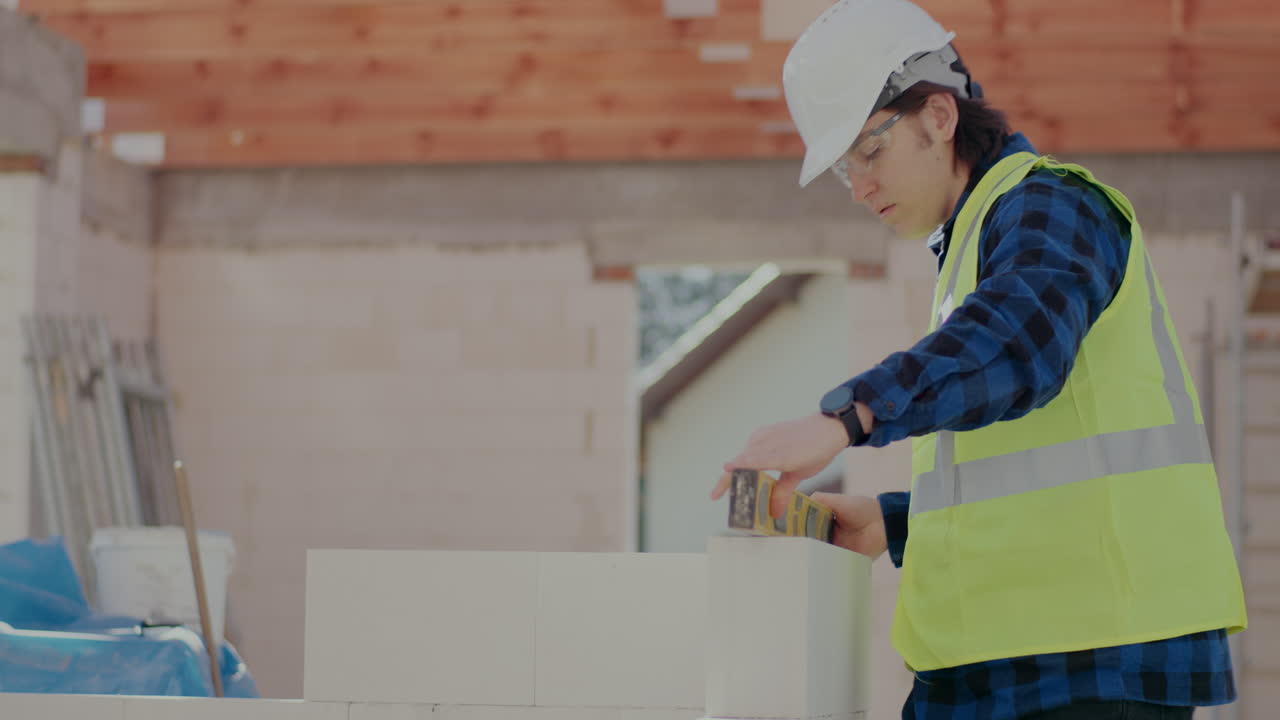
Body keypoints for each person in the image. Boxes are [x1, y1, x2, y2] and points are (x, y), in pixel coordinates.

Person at [708, 1, 1248, 718]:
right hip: (1005, 664)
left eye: (869, 151)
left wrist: (846, 417)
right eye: (845, 169)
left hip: (1090, 664)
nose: (861, 186)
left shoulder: (1053, 205)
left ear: (939, 115)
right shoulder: (973, 249)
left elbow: (1020, 345)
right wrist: (896, 522)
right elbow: (1033, 476)